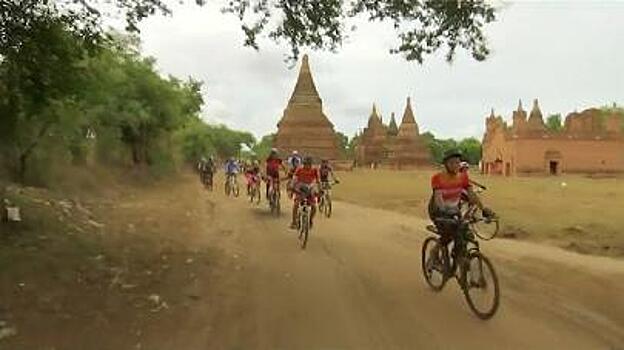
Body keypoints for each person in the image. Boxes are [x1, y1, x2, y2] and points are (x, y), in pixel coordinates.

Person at [428, 149, 495, 264]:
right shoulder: (437, 178)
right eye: (452, 163)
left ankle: (459, 256)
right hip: (438, 211)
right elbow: (438, 198)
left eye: (458, 162)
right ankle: (434, 253)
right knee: (448, 235)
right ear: (446, 164)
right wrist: (444, 211)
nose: (456, 165)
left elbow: (472, 195)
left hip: (455, 210)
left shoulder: (462, 177)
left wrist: (483, 209)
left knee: (466, 234)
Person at [290, 156, 319, 229]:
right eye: (306, 164)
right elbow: (294, 179)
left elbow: (318, 181)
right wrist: (292, 186)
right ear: (304, 164)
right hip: (301, 189)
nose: (308, 166)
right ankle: (294, 221)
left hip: (310, 189)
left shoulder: (314, 170)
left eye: (309, 164)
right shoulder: (299, 170)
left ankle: (310, 219)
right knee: (296, 204)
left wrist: (319, 189)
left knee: (314, 207)